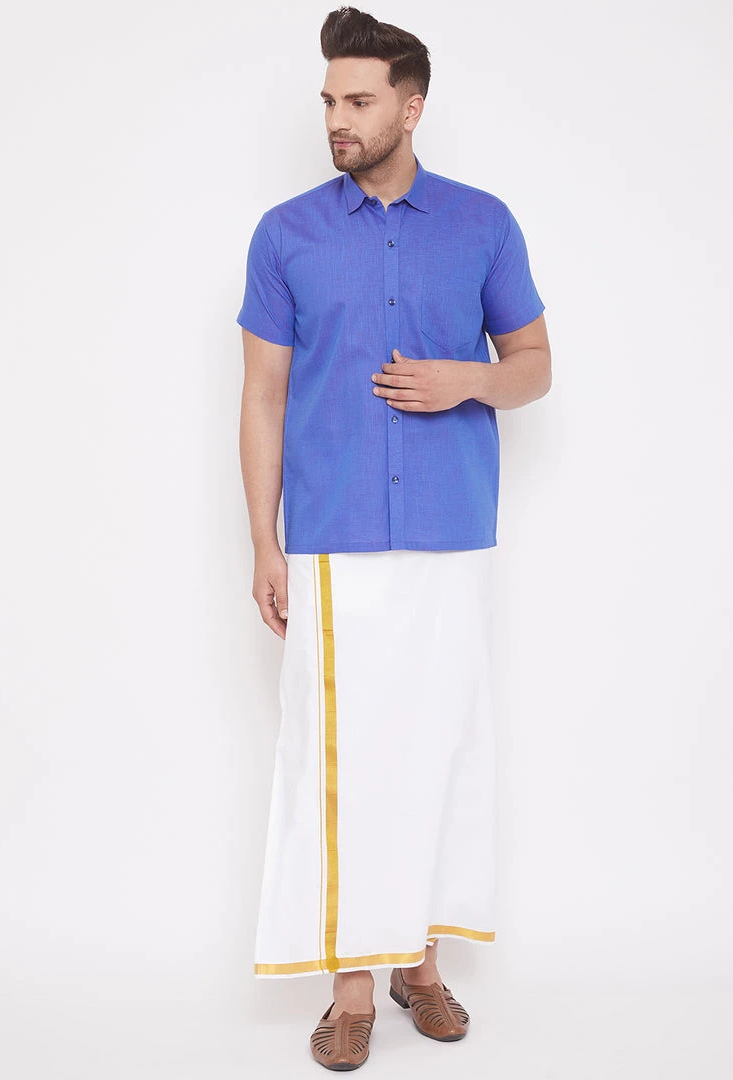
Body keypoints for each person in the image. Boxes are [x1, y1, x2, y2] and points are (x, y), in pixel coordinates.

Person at [236, 5, 551, 1070]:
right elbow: (263, 396)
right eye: (330, 99)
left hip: (452, 532)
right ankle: (352, 989)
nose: (338, 117)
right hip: (332, 539)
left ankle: (421, 964)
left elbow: (533, 366)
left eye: (359, 100)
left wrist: (467, 380)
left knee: (440, 747)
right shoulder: (287, 233)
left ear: (410, 109)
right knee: (342, 761)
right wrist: (264, 542)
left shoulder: (482, 223)